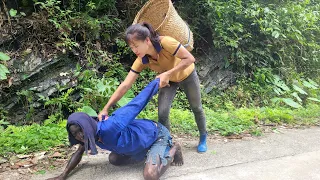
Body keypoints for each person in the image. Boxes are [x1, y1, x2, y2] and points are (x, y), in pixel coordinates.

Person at [98, 22, 207, 153]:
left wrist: (167, 73)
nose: (134, 50)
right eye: (131, 47)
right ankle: (167, 142)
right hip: (168, 81)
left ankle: (203, 137)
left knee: (196, 107)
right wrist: (106, 108)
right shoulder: (141, 60)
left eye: (136, 46)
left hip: (187, 74)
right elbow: (125, 85)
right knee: (162, 112)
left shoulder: (166, 42)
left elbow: (190, 58)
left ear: (147, 40)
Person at [47, 79, 183, 180]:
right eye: (74, 134)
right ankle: (146, 154)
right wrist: (63, 176)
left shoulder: (111, 125)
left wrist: (157, 82)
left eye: (80, 130)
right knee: (114, 159)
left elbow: (137, 103)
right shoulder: (87, 136)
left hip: (156, 135)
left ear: (87, 126)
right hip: (137, 143)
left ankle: (174, 149)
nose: (79, 136)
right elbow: (78, 152)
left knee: (150, 175)